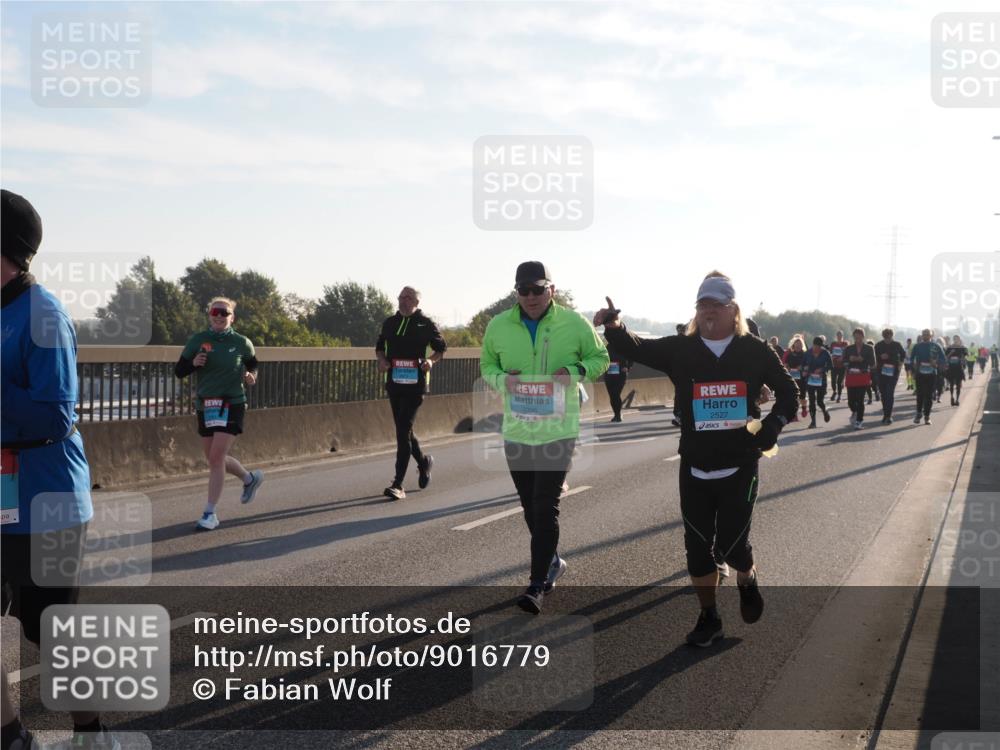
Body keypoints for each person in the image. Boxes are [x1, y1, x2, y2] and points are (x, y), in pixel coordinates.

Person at [597, 271, 797, 647]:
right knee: (697, 548)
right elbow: (639, 347)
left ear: (733, 310)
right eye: (702, 306)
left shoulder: (754, 350)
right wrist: (615, 325)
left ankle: (747, 577)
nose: (708, 313)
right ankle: (709, 616)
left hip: (739, 464)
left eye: (716, 306)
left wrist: (773, 426)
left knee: (735, 547)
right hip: (694, 464)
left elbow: (789, 392)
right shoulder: (682, 348)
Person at [1, 189, 116, 747]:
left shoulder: (43, 314)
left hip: (45, 497)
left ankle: (92, 734)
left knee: (53, 635)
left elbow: (54, 411)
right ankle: (11, 734)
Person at [480, 262, 608, 614]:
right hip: (518, 430)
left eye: (538, 289)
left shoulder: (573, 323)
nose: (531, 297)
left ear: (551, 289)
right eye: (524, 290)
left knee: (545, 504)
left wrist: (575, 372)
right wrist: (501, 380)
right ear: (516, 292)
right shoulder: (499, 325)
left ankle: (536, 585)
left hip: (559, 430)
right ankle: (553, 561)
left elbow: (601, 357)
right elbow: (487, 365)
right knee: (529, 507)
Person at [175, 297, 264, 530]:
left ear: (231, 318)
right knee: (215, 458)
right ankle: (249, 479)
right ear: (209, 314)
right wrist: (194, 362)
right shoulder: (198, 340)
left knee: (216, 458)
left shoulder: (242, 342)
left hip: (232, 403)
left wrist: (251, 376)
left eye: (224, 313)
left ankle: (209, 513)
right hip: (207, 405)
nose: (219, 316)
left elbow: (253, 364)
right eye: (215, 311)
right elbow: (179, 371)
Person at [375, 287, 447, 501]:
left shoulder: (425, 323)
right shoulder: (390, 323)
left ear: (416, 301)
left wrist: (430, 361)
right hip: (394, 384)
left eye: (408, 298)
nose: (404, 301)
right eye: (401, 297)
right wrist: (381, 360)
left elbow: (441, 349)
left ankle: (398, 484)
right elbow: (379, 346)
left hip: (416, 385)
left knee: (402, 430)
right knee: (404, 430)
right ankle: (424, 462)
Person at [911, 329, 946, 425]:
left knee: (929, 395)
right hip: (920, 372)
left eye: (928, 334)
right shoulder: (917, 346)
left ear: (931, 336)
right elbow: (911, 359)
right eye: (924, 334)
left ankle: (927, 416)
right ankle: (918, 413)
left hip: (931, 373)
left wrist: (936, 363)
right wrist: (913, 368)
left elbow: (943, 360)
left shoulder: (936, 346)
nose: (925, 336)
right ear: (922, 336)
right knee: (920, 394)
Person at [843, 328, 876, 429]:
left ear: (863, 337)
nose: (857, 339)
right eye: (855, 337)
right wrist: (850, 359)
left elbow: (873, 363)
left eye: (859, 337)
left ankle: (859, 420)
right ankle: (855, 411)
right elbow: (844, 362)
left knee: (860, 399)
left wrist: (863, 359)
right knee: (851, 401)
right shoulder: (848, 348)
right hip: (851, 376)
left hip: (863, 375)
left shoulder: (869, 348)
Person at [874, 328, 907, 424]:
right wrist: (880, 357)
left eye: (889, 337)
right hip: (881, 371)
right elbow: (873, 355)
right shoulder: (879, 345)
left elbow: (903, 354)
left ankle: (888, 415)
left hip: (893, 372)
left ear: (892, 336)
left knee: (889, 392)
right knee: (883, 393)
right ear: (883, 336)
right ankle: (885, 413)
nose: (887, 339)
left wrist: (900, 363)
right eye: (885, 337)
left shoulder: (897, 345)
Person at [802, 336, 833, 428]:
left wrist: (822, 369)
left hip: (821, 380)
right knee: (811, 401)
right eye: (817, 346)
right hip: (810, 379)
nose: (819, 348)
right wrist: (804, 369)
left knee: (819, 401)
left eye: (820, 347)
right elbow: (802, 365)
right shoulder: (807, 353)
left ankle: (824, 411)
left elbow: (830, 366)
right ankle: (813, 422)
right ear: (814, 345)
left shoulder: (825, 353)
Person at [603, 337, 632, 422]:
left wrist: (627, 367)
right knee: (612, 395)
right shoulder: (608, 347)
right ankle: (616, 414)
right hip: (610, 373)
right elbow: (603, 358)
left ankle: (618, 415)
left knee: (616, 393)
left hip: (621, 373)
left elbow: (632, 357)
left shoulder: (624, 346)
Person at [781, 336, 808, 421]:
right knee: (794, 397)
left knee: (802, 397)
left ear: (802, 345)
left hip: (802, 379)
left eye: (800, 345)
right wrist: (787, 367)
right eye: (796, 345)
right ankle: (794, 415)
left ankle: (804, 408)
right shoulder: (789, 354)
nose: (798, 347)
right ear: (793, 345)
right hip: (792, 379)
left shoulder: (805, 354)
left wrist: (803, 368)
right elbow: (784, 364)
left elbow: (809, 365)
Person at [944, 335, 968, 406]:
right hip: (951, 368)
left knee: (958, 385)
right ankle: (952, 397)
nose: (956, 340)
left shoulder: (962, 347)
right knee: (951, 384)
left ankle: (957, 399)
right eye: (954, 339)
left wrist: (964, 357)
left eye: (957, 339)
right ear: (953, 339)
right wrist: (951, 353)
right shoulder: (950, 347)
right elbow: (946, 356)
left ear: (959, 339)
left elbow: (966, 355)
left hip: (959, 368)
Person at [671, 323, 686, 427]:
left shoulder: (691, 341)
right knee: (679, 395)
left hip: (688, 374)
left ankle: (680, 416)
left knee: (681, 395)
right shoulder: (675, 341)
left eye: (681, 330)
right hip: (679, 373)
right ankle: (679, 416)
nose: (680, 332)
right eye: (678, 330)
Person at [829, 331, 848, 402]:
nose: (839, 337)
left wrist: (842, 357)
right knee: (833, 381)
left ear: (842, 336)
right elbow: (830, 352)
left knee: (839, 382)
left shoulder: (845, 344)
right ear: (836, 336)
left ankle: (839, 396)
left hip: (842, 366)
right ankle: (834, 391)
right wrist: (832, 356)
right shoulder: (833, 344)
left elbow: (847, 353)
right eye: (838, 335)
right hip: (834, 365)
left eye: (840, 335)